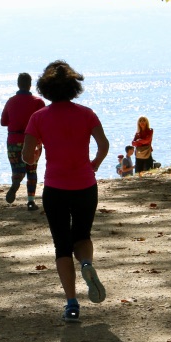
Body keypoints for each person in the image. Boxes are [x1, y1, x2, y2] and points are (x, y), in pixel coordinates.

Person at [22, 60, 109, 323]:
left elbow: (26, 156)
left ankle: (72, 304)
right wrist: (94, 164)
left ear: (45, 89)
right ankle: (86, 264)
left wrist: (37, 153)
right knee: (82, 235)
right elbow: (103, 145)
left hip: (55, 188)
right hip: (85, 186)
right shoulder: (87, 114)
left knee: (62, 245)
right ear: (73, 87)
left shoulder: (38, 118)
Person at [0, 72, 45, 209]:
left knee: (16, 168)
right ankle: (31, 201)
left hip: (13, 140)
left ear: (18, 84)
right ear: (30, 85)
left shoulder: (11, 101)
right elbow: (44, 123)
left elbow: (3, 122)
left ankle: (16, 181)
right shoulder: (38, 102)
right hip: (32, 141)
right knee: (31, 170)